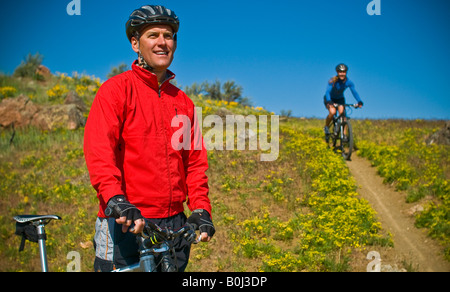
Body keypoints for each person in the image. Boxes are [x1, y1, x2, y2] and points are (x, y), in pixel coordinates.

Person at [83, 5, 215, 272]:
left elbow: (194, 163)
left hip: (175, 225)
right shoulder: (116, 91)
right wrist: (115, 199)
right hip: (126, 220)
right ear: (135, 43)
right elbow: (99, 151)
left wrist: (200, 208)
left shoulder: (184, 103)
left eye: (168, 35)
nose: (162, 42)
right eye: (153, 35)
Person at [323, 63, 363, 136]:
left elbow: (354, 92)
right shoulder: (333, 80)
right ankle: (326, 127)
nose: (342, 74)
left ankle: (344, 135)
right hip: (330, 98)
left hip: (340, 99)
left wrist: (359, 101)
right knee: (332, 112)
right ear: (337, 72)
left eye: (343, 72)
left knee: (343, 116)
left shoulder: (348, 82)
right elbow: (327, 92)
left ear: (346, 73)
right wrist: (329, 101)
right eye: (340, 72)